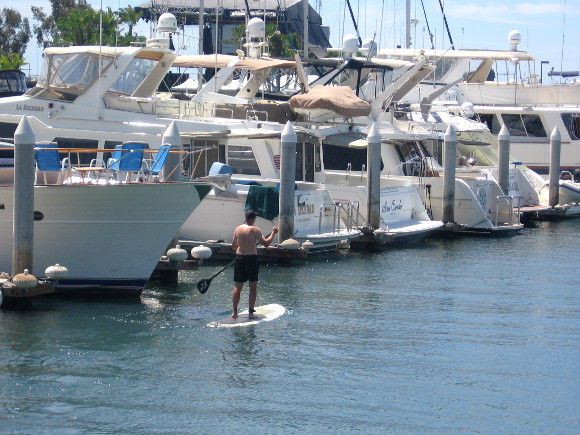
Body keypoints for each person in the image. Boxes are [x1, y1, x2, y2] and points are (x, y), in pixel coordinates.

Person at [231, 209, 278, 319]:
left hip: (239, 258)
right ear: (253, 219)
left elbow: (233, 247)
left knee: (238, 286)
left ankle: (234, 312)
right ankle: (251, 313)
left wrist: (242, 246)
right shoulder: (255, 229)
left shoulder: (238, 229)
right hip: (251, 259)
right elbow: (266, 243)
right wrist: (273, 233)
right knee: (253, 286)